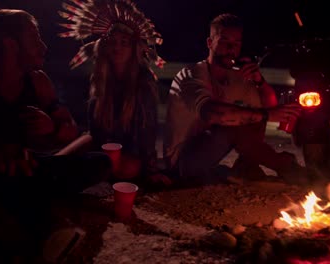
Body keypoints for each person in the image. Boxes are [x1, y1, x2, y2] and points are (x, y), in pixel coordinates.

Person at [0, 9, 108, 263]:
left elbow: (69, 128)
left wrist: (52, 128)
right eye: (35, 37)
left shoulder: (38, 81)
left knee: (99, 163)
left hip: (24, 168)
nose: (43, 47)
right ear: (10, 43)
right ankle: (40, 223)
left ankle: (25, 202)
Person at [164, 13, 305, 186]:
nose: (231, 48)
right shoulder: (192, 75)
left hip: (210, 155)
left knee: (251, 116)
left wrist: (259, 82)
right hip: (182, 164)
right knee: (234, 124)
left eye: (237, 44)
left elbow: (267, 106)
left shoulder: (237, 77)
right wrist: (267, 115)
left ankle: (248, 164)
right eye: (224, 42)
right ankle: (284, 165)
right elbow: (214, 114)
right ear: (210, 43)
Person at [58, 0, 171, 187]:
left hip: (130, 153)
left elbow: (148, 133)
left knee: (127, 169)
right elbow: (94, 130)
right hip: (102, 145)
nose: (117, 48)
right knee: (62, 158)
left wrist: (152, 170)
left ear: (133, 48)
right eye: (113, 42)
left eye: (124, 43)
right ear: (105, 46)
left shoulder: (143, 83)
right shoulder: (101, 78)